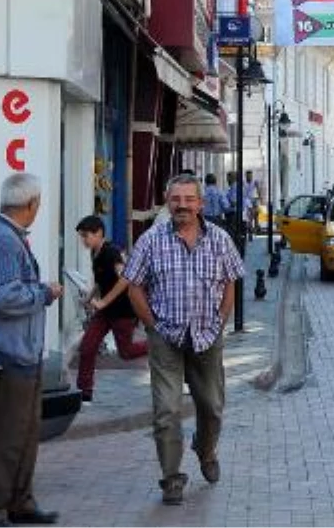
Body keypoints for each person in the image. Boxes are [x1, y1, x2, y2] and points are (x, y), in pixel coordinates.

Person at [123, 174, 244, 505]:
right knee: (166, 409)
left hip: (207, 336)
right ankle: (171, 477)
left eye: (189, 199)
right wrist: (152, 325)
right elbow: (134, 285)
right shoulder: (151, 241)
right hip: (167, 337)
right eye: (176, 199)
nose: (182, 206)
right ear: (167, 201)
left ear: (200, 203)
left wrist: (221, 321)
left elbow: (231, 281)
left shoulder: (220, 239)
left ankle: (205, 451)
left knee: (213, 407)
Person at [0, 173, 64, 527]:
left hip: (16, 351)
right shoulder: (5, 241)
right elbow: (4, 296)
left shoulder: (0, 234)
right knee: (6, 436)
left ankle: (19, 502)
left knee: (24, 432)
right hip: (6, 352)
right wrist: (45, 293)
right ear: (32, 204)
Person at [74, 215, 149, 404]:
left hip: (123, 311)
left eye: (86, 236)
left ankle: (158, 345)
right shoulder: (95, 253)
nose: (83, 240)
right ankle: (84, 393)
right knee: (87, 347)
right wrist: (89, 298)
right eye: (81, 236)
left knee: (126, 352)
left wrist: (104, 302)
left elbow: (125, 279)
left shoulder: (112, 253)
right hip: (105, 313)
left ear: (99, 233)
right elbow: (101, 281)